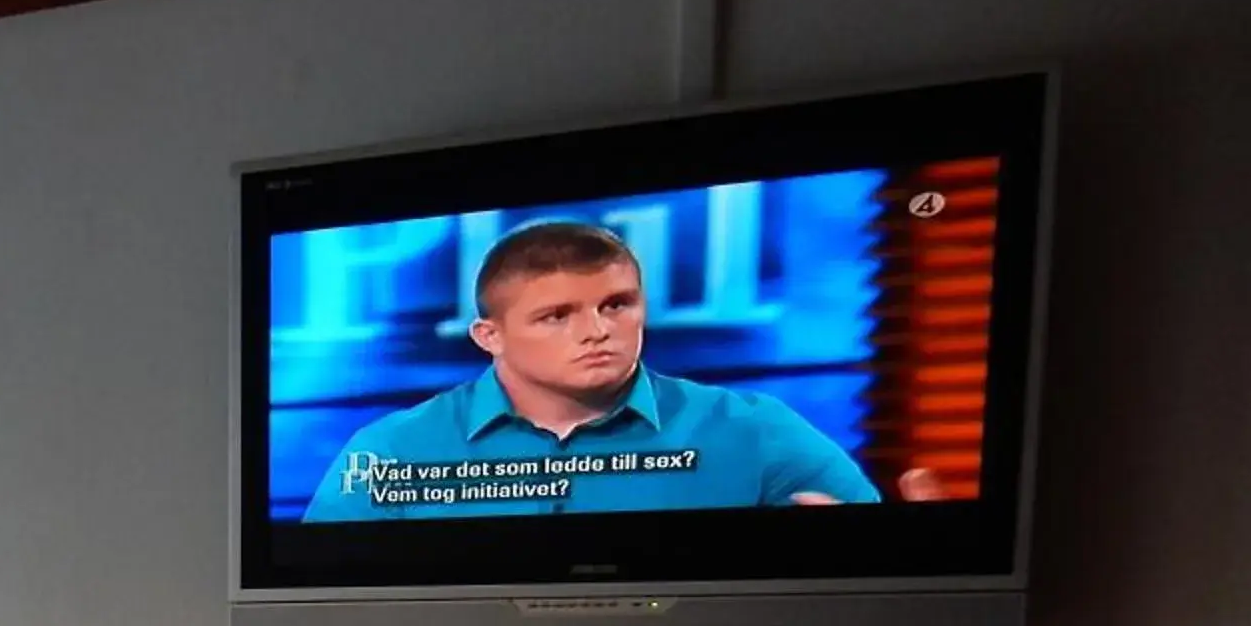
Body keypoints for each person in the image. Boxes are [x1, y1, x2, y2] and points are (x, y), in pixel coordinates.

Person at [303, 220, 905, 520]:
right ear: (490, 336)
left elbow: (883, 579)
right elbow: (325, 612)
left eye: (616, 305)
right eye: (556, 315)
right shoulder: (391, 450)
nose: (597, 330)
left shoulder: (757, 431)